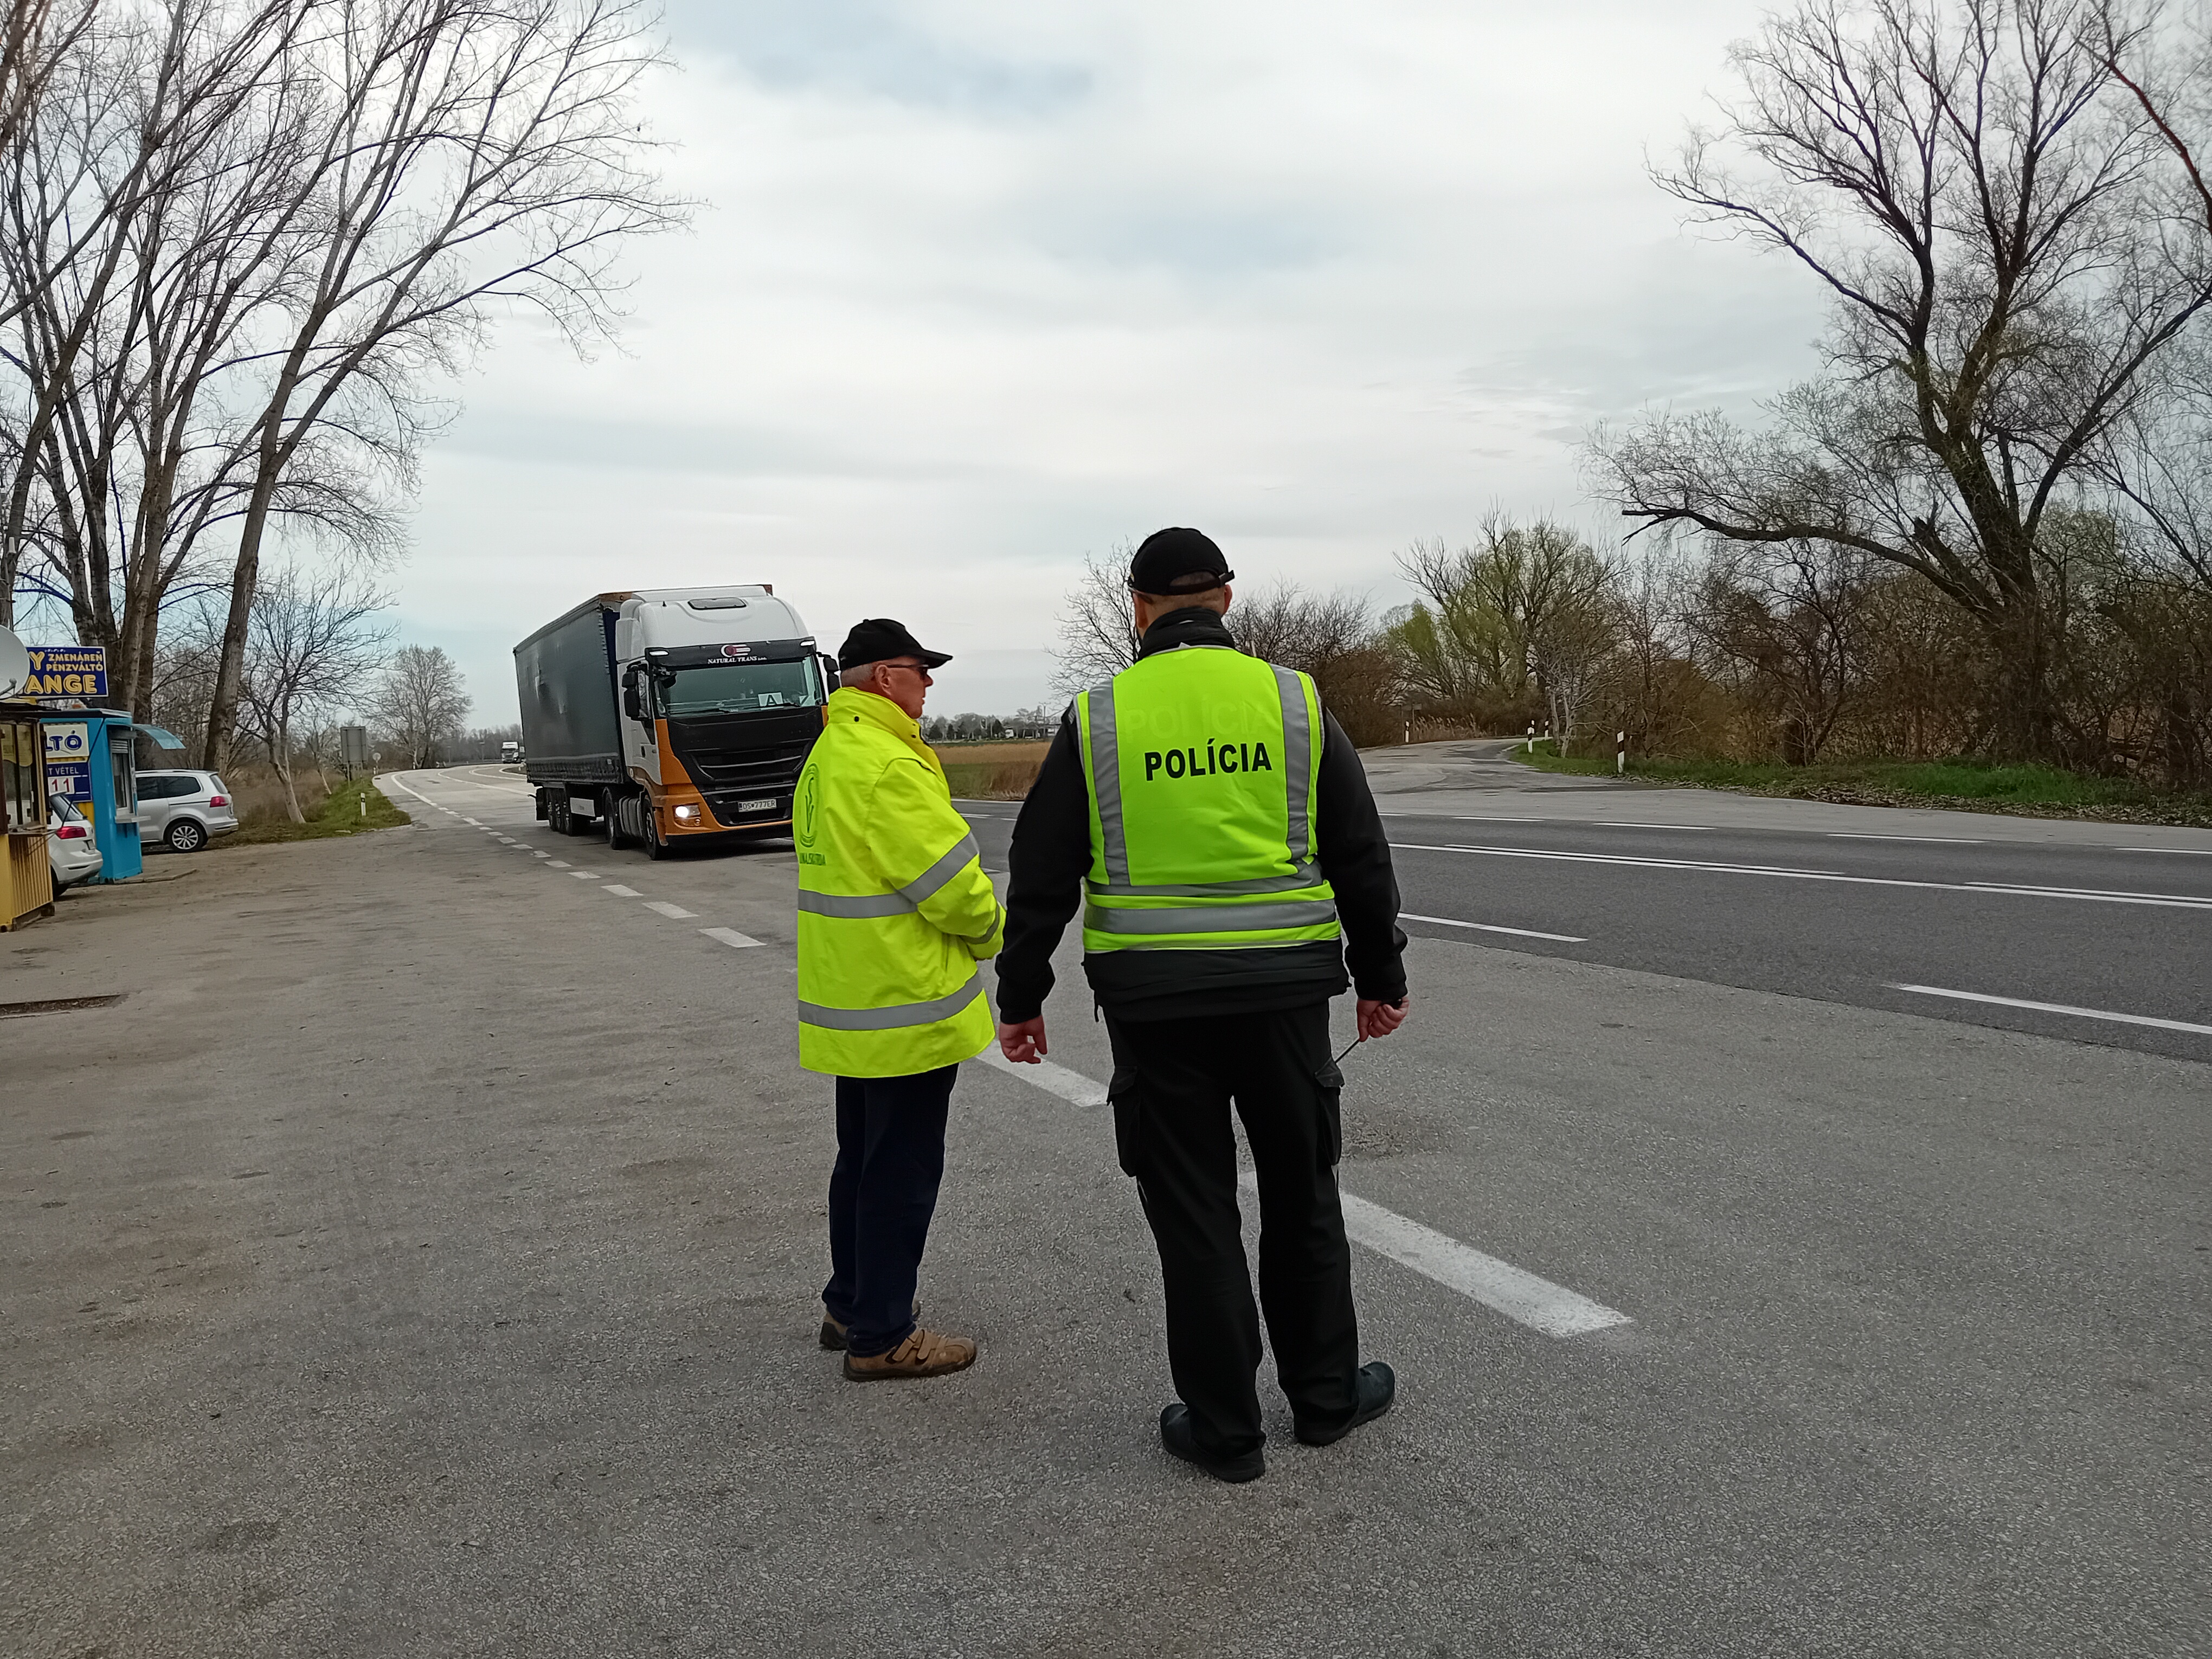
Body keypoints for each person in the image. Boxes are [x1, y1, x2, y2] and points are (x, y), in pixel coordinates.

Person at [994, 527, 1410, 1482]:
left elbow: (1042, 872)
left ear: (1137, 605)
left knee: (1194, 1215)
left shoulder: (1097, 718)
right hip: (1285, 999)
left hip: (1156, 1006)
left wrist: (1021, 995)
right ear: (1226, 597)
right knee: (1303, 1198)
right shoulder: (1294, 701)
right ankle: (1326, 1401)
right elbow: (1360, 853)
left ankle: (1225, 1433)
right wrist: (1381, 980)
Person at [796, 618, 1004, 1381]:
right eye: (921, 669)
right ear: (886, 676)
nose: (929, 682)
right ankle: (883, 1334)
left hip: (856, 1000)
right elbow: (951, 887)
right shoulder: (888, 763)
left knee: (862, 1160)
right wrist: (993, 931)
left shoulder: (832, 751)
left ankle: (850, 1302)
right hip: (905, 1001)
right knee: (900, 1174)